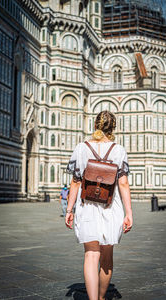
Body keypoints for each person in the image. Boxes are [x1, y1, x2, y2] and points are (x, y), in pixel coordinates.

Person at [66, 111, 133, 300]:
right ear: (113, 128)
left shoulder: (81, 148)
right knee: (106, 256)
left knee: (91, 255)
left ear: (95, 125)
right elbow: (123, 183)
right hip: (111, 206)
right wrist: (129, 213)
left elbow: (76, 182)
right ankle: (102, 298)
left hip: (87, 205)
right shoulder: (118, 150)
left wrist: (69, 209)